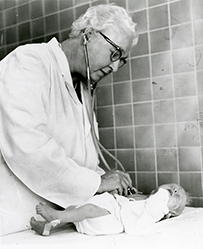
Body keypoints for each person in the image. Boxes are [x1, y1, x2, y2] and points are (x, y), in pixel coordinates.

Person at [0, 4, 138, 235]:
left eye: (121, 60)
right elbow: (28, 148)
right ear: (89, 34)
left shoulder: (83, 89)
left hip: (57, 222)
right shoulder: (28, 62)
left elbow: (80, 161)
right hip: (12, 219)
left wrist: (108, 182)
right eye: (114, 53)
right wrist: (97, 183)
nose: (114, 67)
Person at [30, 183, 190, 236]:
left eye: (177, 196)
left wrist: (163, 199)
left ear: (171, 213)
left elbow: (153, 208)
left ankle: (55, 215)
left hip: (115, 220)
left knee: (88, 210)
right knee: (75, 211)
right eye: (174, 187)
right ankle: (48, 226)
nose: (174, 191)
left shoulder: (159, 209)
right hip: (112, 209)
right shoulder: (147, 199)